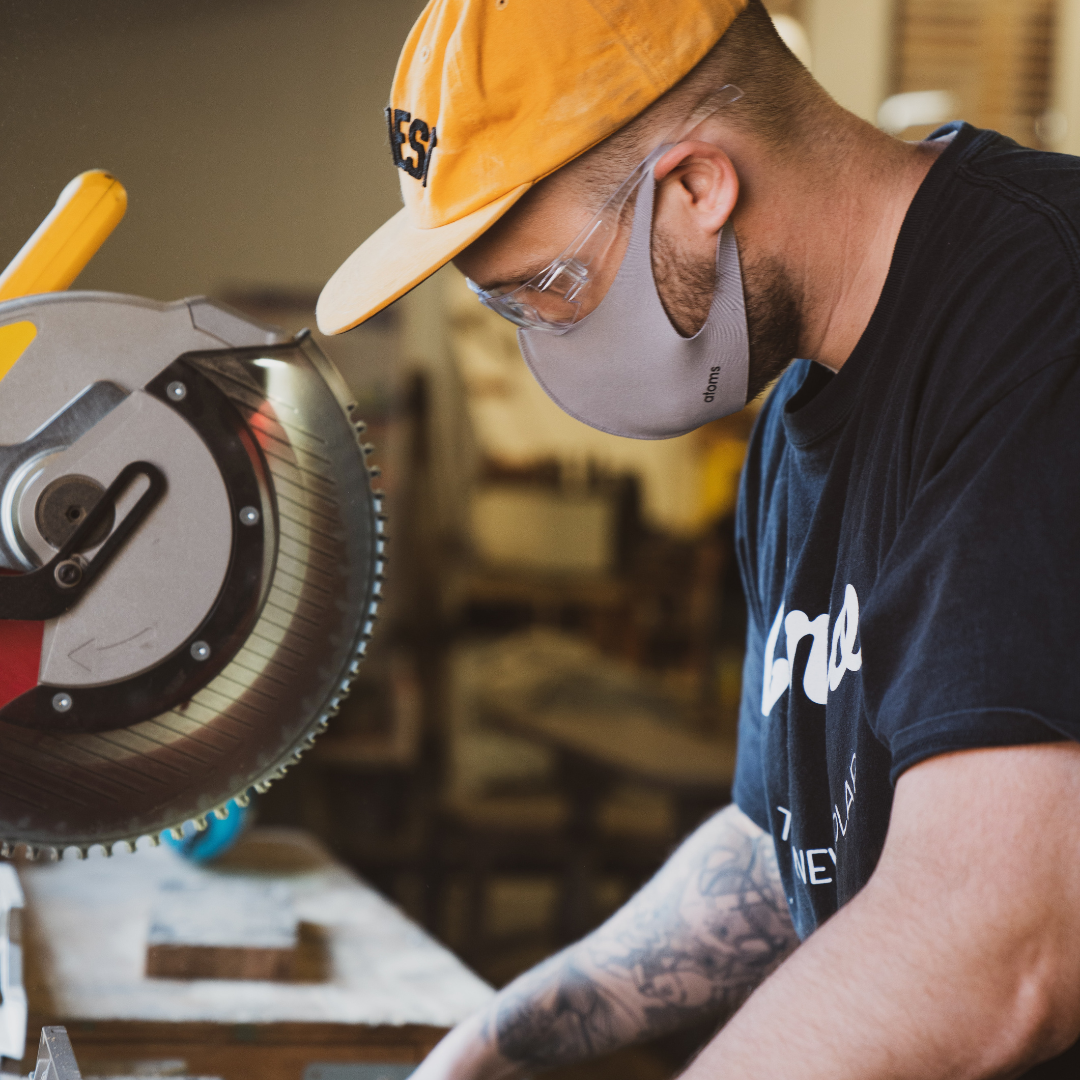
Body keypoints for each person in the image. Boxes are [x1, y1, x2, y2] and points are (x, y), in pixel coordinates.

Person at [317, 0, 1080, 1076]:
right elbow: (791, 845)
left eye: (548, 289)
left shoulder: (1043, 313)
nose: (543, 343)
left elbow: (998, 944)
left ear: (696, 188)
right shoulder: (798, 418)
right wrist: (499, 1039)